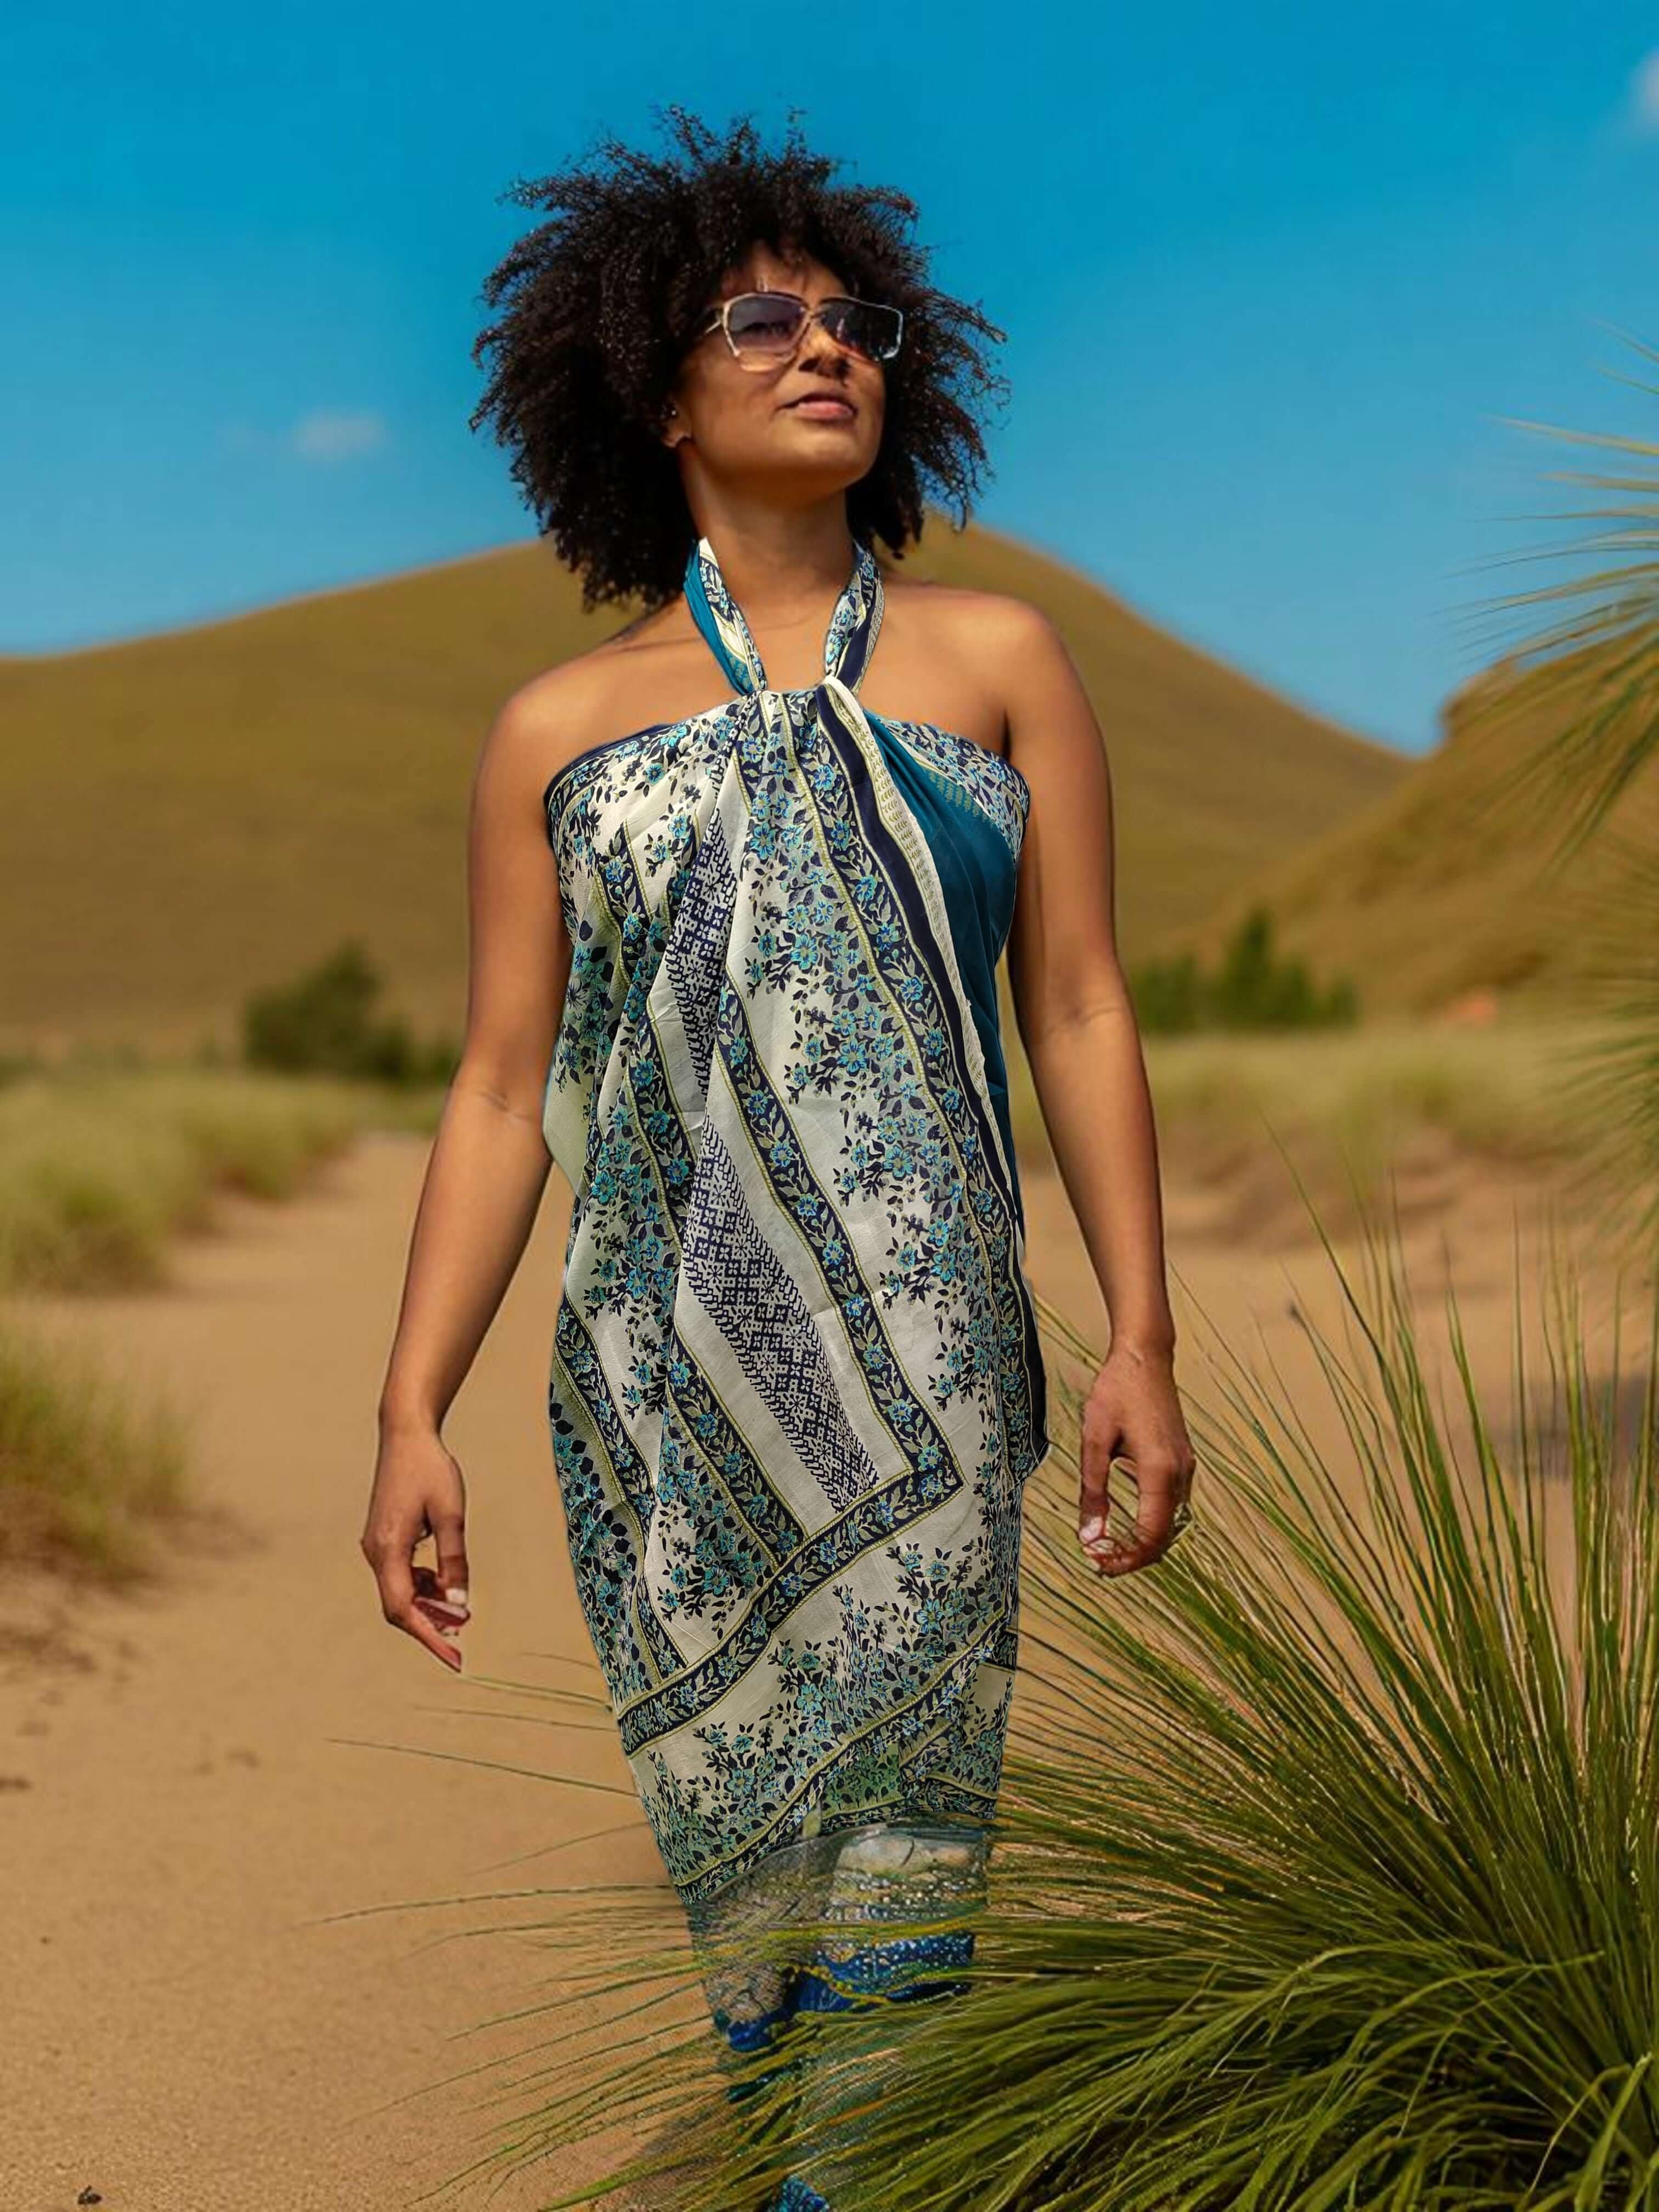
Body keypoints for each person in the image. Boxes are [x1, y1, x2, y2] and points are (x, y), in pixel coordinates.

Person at [360, 106, 1196, 2211]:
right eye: (763, 319)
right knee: (746, 1897)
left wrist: (1143, 1337)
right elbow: (495, 1089)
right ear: (654, 387)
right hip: (655, 1397)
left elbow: (1080, 1007)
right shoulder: (558, 729)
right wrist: (409, 1406)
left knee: (912, 1887)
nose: (827, 346)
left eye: (856, 319)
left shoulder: (1002, 666)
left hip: (932, 1381)